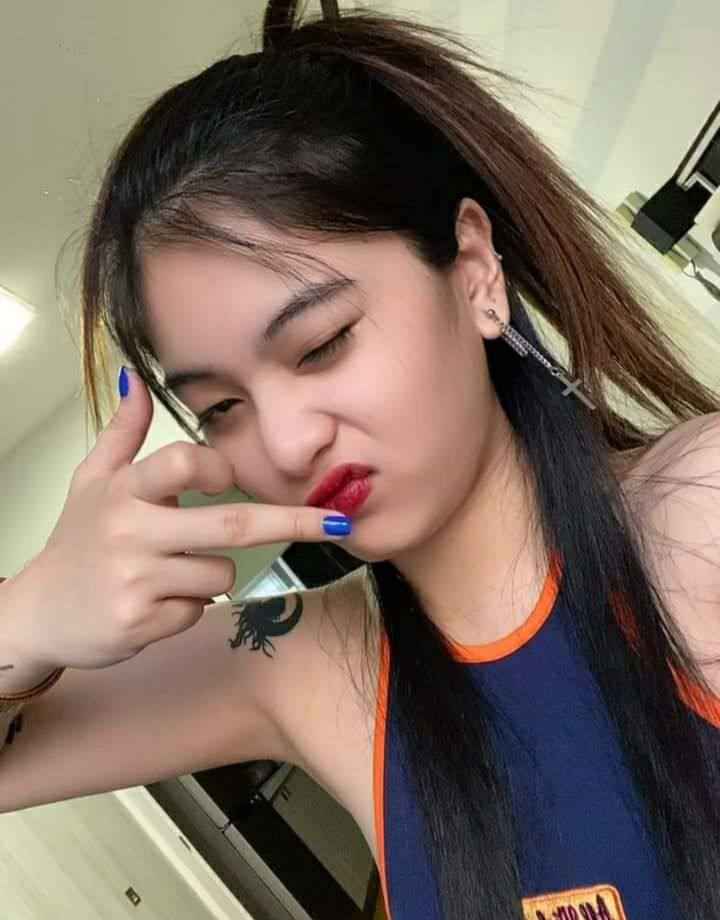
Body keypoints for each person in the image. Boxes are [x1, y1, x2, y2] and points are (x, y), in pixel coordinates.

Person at [2, 1, 720, 917]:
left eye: (322, 343)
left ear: (474, 272)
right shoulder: (301, 665)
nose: (286, 443)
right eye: (221, 409)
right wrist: (28, 619)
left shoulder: (699, 511)